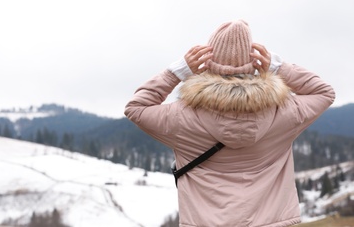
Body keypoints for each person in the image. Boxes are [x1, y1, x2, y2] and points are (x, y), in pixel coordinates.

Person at [124, 20, 335, 227]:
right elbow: (324, 93)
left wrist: (176, 73)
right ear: (253, 63)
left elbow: (136, 108)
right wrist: (278, 67)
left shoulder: (182, 117)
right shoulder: (284, 112)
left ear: (208, 62)